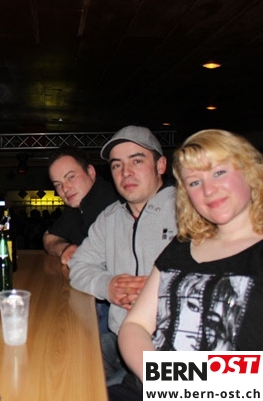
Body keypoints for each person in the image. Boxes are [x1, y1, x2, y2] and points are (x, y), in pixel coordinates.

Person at [114, 129, 263, 399]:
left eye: (219, 172)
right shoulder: (183, 244)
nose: (208, 190)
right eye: (194, 182)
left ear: (249, 172)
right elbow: (135, 326)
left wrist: (179, 386)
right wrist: (160, 381)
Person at [68, 125, 177, 386]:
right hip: (119, 340)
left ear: (161, 165)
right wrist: (108, 285)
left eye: (137, 161)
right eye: (117, 165)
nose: (125, 172)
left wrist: (158, 294)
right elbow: (79, 266)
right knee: (60, 364)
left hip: (171, 349)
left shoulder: (188, 210)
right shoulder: (109, 218)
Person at [42, 146, 119, 352]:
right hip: (96, 296)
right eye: (58, 184)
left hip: (117, 308)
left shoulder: (113, 201)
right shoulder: (77, 207)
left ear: (91, 172)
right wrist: (64, 248)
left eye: (71, 177)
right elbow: (48, 237)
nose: (65, 189)